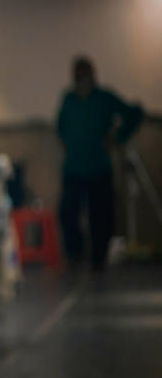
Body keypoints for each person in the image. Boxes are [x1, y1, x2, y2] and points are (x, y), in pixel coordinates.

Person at [57, 56, 142, 273]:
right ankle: (74, 255)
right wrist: (69, 142)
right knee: (68, 213)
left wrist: (117, 137)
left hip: (98, 169)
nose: (81, 79)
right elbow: (60, 126)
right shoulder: (69, 99)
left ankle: (98, 259)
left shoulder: (104, 98)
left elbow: (134, 114)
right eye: (77, 75)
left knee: (100, 215)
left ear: (92, 75)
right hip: (73, 168)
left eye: (84, 74)